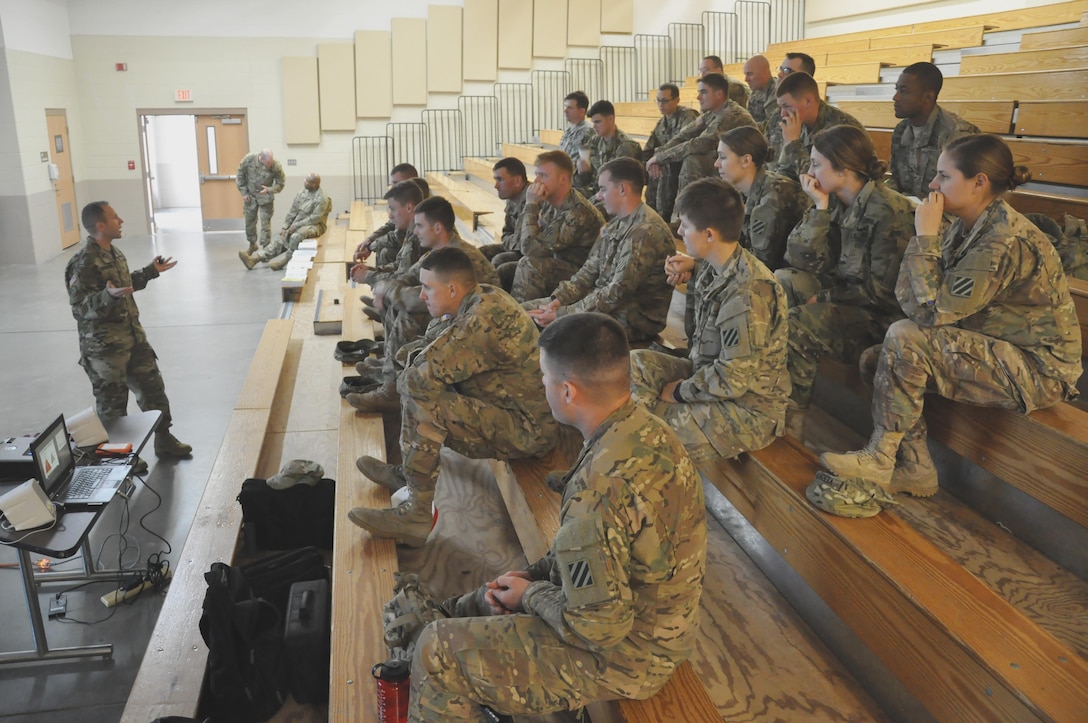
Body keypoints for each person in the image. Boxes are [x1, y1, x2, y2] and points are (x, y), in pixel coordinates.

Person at [408, 312, 707, 721]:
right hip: (655, 621)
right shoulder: (644, 429)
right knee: (490, 597)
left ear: (568, 391)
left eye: (544, 378)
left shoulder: (598, 491)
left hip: (629, 657)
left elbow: (597, 629)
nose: (541, 386)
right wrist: (533, 577)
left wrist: (529, 595)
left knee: (436, 651)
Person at [820, 135, 1082, 496]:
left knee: (903, 337)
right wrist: (927, 242)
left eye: (943, 176)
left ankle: (880, 458)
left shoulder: (1002, 240)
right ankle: (915, 467)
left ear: (979, 182)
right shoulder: (967, 225)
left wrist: (925, 237)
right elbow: (912, 300)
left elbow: (929, 313)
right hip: (995, 346)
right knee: (876, 360)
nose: (932, 185)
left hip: (1038, 368)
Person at [349, 247, 558, 546]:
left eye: (427, 288)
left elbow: (419, 376)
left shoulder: (484, 317)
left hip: (526, 429)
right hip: (506, 410)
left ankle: (418, 513)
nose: (422, 296)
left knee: (423, 392)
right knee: (423, 384)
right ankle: (409, 475)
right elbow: (420, 350)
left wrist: (414, 363)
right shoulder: (473, 301)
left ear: (452, 288)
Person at [630, 178, 790, 466]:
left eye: (685, 226)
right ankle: (624, 442)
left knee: (651, 429)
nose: (679, 232)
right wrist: (692, 268)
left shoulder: (748, 294)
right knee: (634, 364)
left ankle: (629, 457)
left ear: (709, 234)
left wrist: (680, 392)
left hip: (747, 410)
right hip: (707, 374)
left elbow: (734, 379)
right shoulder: (716, 263)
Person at [777, 125, 915, 440]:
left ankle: (790, 420)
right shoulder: (836, 200)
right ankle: (766, 391)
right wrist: (820, 210)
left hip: (884, 319)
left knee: (800, 321)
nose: (808, 171)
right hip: (851, 299)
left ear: (844, 168)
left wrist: (825, 298)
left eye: (816, 163)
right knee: (781, 282)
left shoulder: (890, 212)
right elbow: (798, 258)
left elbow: (884, 293)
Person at [349, 196, 499, 413]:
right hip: (455, 315)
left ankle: (391, 392)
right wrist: (382, 286)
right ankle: (392, 371)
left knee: (409, 313)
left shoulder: (459, 256)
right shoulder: (437, 253)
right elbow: (406, 277)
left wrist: (386, 289)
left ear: (437, 228)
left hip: (476, 325)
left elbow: (415, 300)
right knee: (398, 301)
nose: (415, 231)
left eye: (420, 226)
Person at [66, 202, 191, 458]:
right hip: (105, 351)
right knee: (113, 408)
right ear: (100, 225)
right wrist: (106, 296)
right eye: (115, 217)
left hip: (133, 340)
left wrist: (150, 272)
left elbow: (124, 286)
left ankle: (164, 440)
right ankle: (120, 458)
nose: (121, 220)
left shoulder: (114, 253)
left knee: (154, 392)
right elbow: (80, 308)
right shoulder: (83, 263)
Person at [524, 158, 676, 343]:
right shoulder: (617, 222)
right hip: (603, 305)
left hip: (634, 319)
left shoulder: (645, 231)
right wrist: (558, 301)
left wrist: (561, 314)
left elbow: (616, 292)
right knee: (521, 312)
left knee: (546, 328)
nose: (598, 196)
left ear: (622, 189)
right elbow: (588, 271)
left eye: (603, 189)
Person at [646, 73, 757, 218]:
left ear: (719, 94)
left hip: (742, 167)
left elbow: (700, 144)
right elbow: (683, 136)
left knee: (692, 160)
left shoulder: (731, 114)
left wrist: (660, 157)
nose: (698, 97)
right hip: (723, 163)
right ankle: (661, 214)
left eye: (703, 92)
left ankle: (685, 217)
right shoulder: (712, 113)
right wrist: (659, 155)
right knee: (667, 160)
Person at [509, 150, 604, 302]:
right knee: (504, 266)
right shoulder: (549, 200)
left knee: (528, 265)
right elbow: (521, 240)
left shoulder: (576, 212)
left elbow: (529, 248)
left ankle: (523, 321)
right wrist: (532, 207)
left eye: (544, 176)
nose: (537, 181)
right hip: (557, 260)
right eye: (537, 174)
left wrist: (531, 205)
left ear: (563, 179)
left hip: (581, 274)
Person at [715, 126, 811, 270]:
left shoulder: (772, 197)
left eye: (723, 157)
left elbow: (759, 265)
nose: (716, 164)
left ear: (746, 161)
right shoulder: (744, 191)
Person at [889, 62, 980, 199]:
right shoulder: (901, 131)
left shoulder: (958, 134)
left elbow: (968, 194)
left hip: (946, 214)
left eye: (904, 91)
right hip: (909, 210)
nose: (896, 97)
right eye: (897, 90)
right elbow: (896, 180)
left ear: (928, 97)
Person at [775, 72, 865, 181]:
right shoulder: (798, 124)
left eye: (787, 106)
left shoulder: (839, 128)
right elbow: (785, 171)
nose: (782, 114)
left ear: (807, 101)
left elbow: (819, 181)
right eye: (781, 107)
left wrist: (793, 143)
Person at [238, 173, 330, 271]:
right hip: (299, 224)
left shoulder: (321, 198)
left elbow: (315, 218)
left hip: (315, 226)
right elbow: (293, 211)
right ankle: (254, 259)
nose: (304, 182)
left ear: (314, 184)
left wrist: (295, 226)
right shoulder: (302, 194)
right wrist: (285, 226)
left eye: (307, 181)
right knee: (283, 237)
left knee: (296, 236)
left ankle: (284, 261)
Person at [350, 180, 425, 293]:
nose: (390, 215)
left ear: (409, 208)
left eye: (393, 209)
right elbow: (399, 265)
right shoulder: (411, 230)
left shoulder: (420, 236)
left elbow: (403, 280)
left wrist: (368, 276)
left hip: (415, 298)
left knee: (385, 252)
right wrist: (372, 270)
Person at [642, 83, 700, 224]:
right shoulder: (662, 123)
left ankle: (664, 216)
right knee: (649, 167)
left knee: (664, 168)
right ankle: (650, 214)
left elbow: (684, 143)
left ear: (677, 100)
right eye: (658, 100)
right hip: (665, 162)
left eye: (665, 101)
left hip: (684, 164)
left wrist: (659, 159)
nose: (661, 105)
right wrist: (651, 162)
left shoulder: (688, 116)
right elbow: (648, 149)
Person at [355, 163, 421, 267]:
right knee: (383, 250)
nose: (392, 187)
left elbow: (397, 236)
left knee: (385, 252)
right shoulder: (408, 201)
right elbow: (390, 225)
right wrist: (370, 239)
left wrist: (370, 247)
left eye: (396, 183)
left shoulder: (421, 204)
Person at [478, 157, 530, 292]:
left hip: (530, 254)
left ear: (517, 181)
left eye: (500, 179)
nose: (495, 185)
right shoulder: (512, 198)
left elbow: (525, 244)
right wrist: (512, 242)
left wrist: (511, 242)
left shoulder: (532, 199)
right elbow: (507, 233)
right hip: (517, 248)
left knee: (500, 261)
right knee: (481, 254)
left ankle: (497, 301)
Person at [573, 100, 642, 197]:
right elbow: (580, 182)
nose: (594, 127)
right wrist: (582, 172)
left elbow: (620, 185)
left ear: (610, 119)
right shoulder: (594, 141)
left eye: (598, 122)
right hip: (597, 192)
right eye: (593, 122)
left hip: (614, 197)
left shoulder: (625, 145)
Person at [235, 149, 285, 253]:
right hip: (250, 197)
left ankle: (266, 249)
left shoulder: (275, 166)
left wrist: (269, 189)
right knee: (250, 222)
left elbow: (280, 184)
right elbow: (240, 175)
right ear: (261, 158)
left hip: (266, 198)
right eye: (268, 163)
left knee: (265, 224)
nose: (269, 165)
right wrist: (244, 193)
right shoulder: (249, 160)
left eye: (271, 162)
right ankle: (252, 244)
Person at [744, 54, 778, 130]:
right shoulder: (755, 91)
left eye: (750, 74)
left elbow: (773, 125)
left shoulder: (777, 92)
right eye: (745, 74)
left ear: (764, 73)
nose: (746, 79)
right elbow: (749, 119)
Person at [559, 91, 593, 161]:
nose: (565, 110)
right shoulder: (569, 129)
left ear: (582, 111)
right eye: (565, 107)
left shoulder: (586, 132)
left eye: (570, 108)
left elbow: (576, 162)